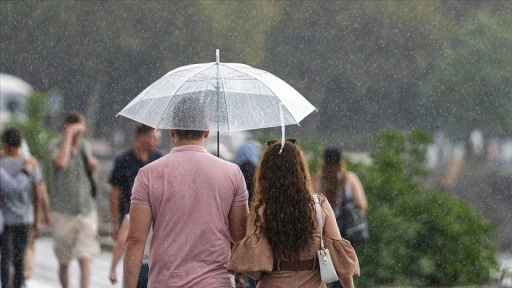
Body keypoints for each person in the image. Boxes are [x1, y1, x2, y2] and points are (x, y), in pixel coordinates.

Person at [123, 97, 249, 288]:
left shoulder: (148, 174)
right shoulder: (232, 173)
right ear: (207, 131)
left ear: (172, 131)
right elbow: (240, 236)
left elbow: (135, 240)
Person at [228, 140, 360, 288]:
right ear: (301, 170)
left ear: (266, 173)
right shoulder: (319, 205)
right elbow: (339, 255)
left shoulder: (259, 210)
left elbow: (255, 270)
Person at [48, 112, 100, 288]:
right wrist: (69, 136)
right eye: (77, 129)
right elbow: (61, 162)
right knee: (64, 261)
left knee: (85, 258)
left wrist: (92, 167)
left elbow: (90, 177)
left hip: (86, 209)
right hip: (63, 211)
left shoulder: (85, 146)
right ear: (66, 128)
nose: (80, 133)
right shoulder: (55, 145)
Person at [0, 128, 44, 288]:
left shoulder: (2, 164)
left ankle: (6, 285)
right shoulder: (31, 163)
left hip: (5, 219)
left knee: (5, 258)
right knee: (20, 258)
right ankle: (18, 285)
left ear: (5, 144)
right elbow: (37, 193)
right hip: (25, 218)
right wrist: (38, 219)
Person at [109, 124, 162, 240]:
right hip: (128, 212)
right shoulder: (123, 160)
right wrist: (114, 224)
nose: (155, 142)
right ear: (140, 137)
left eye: (157, 139)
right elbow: (115, 194)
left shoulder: (159, 159)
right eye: (152, 137)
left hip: (154, 216)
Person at [313, 147, 367, 231]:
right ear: (340, 163)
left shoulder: (317, 181)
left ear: (323, 163)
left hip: (324, 228)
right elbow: (362, 206)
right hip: (347, 229)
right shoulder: (349, 179)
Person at [109, 214, 151, 288]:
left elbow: (121, 243)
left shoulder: (132, 217)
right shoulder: (163, 218)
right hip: (157, 269)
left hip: (136, 267)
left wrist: (113, 269)